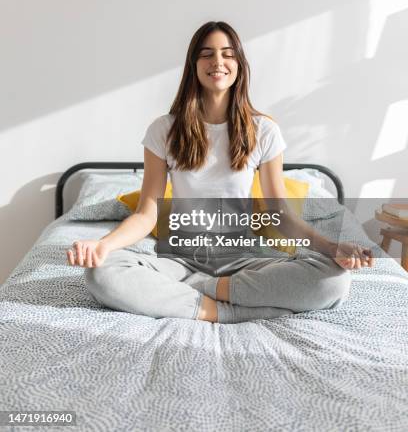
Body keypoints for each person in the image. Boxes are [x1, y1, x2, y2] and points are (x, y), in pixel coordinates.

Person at [66, 21, 374, 323]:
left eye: (228, 53)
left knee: (335, 280)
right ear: (194, 64)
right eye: (207, 53)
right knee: (102, 272)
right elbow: (146, 215)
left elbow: (279, 214)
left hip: (243, 258)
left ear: (239, 63)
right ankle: (226, 309)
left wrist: (333, 248)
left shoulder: (263, 130)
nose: (218, 61)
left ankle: (200, 293)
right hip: (179, 259)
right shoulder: (164, 130)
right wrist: (103, 245)